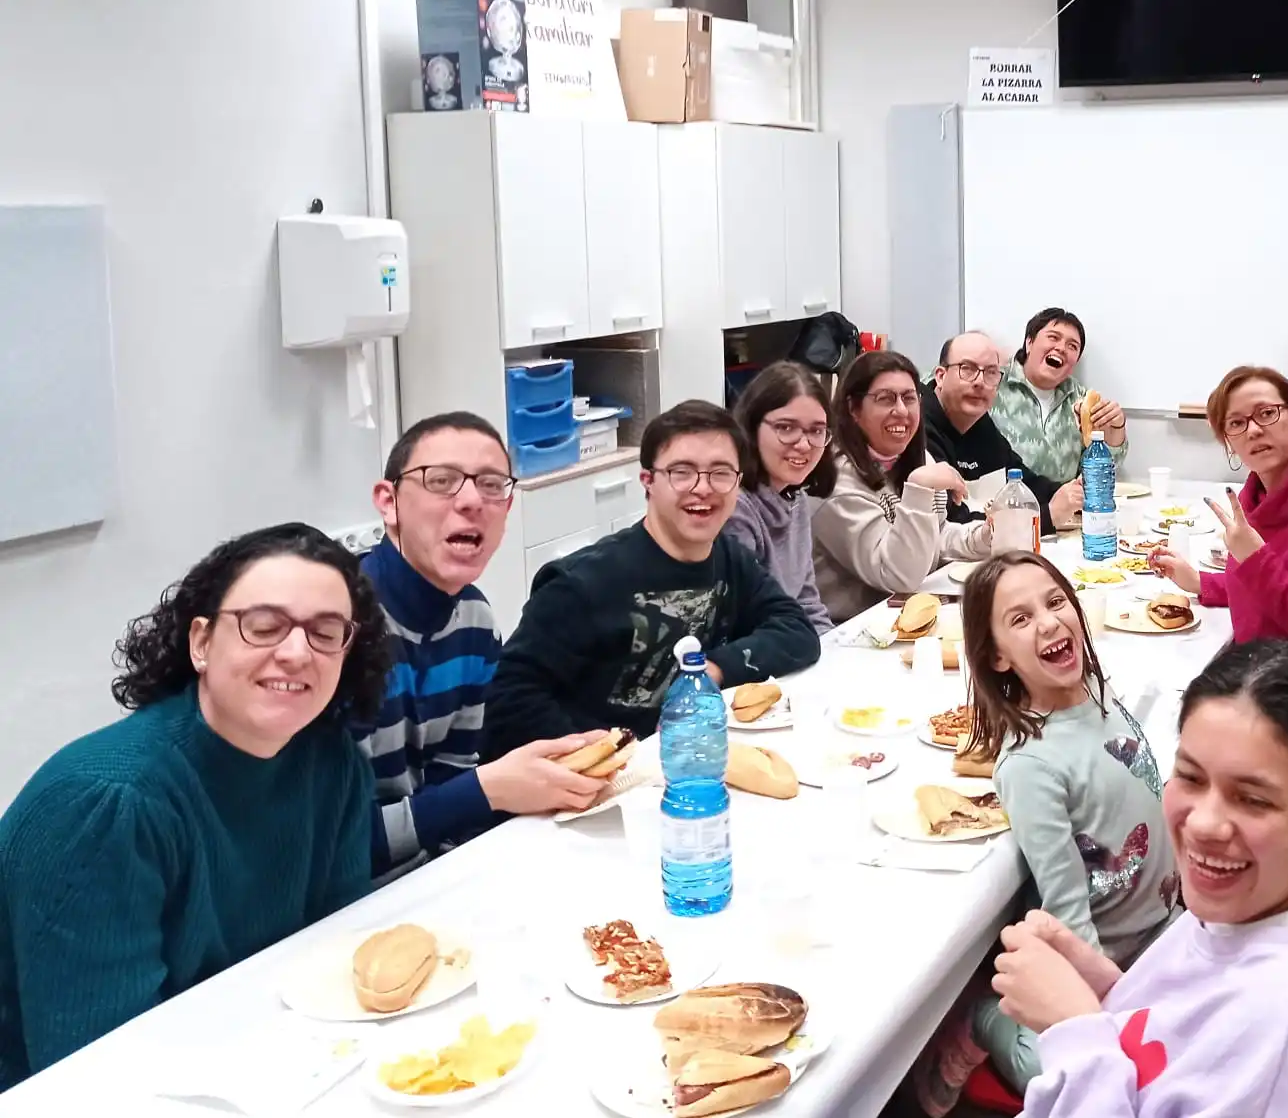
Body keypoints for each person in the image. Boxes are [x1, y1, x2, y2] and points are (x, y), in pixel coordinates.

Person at [988, 639, 1288, 1118]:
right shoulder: (1256, 901)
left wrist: (1075, 1029)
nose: (1204, 824)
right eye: (1190, 777)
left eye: (1253, 799)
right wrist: (1108, 991)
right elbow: (1188, 1053)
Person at [0, 525, 386, 1086]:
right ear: (201, 642)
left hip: (255, 1060)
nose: (296, 653)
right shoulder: (108, 806)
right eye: (264, 626)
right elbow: (96, 1077)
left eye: (325, 633)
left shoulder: (333, 764)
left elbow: (338, 968)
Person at [481, 401, 821, 758]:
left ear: (738, 483)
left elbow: (797, 631)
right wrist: (603, 753)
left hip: (689, 758)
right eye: (681, 472)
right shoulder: (582, 583)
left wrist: (715, 668)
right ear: (648, 482)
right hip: (605, 772)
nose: (703, 488)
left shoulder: (730, 558)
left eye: (720, 473)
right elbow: (508, 698)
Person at [958, 551, 1177, 1094]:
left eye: (1055, 602)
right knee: (1065, 1075)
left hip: (1168, 934)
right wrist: (1100, 1002)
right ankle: (980, 1020)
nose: (1048, 622)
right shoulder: (1030, 766)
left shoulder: (1098, 690)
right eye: (1021, 618)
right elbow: (1065, 909)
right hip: (1101, 958)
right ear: (997, 657)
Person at [354, 412, 608, 877]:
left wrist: (540, 780)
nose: (471, 500)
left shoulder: (474, 620)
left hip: (429, 876)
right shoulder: (335, 633)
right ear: (389, 503)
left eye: (492, 485)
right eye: (441, 480)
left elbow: (449, 791)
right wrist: (489, 790)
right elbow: (319, 850)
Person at [1148, 365, 1288, 643]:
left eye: (1266, 413)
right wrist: (1199, 581)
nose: (1253, 431)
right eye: (1236, 423)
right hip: (1255, 657)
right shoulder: (1254, 496)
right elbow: (1262, 585)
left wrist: (1255, 559)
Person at [812, 350, 995, 621]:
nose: (901, 410)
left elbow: (935, 537)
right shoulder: (835, 481)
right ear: (853, 408)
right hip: (849, 627)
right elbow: (898, 575)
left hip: (903, 613)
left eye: (909, 398)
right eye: (886, 399)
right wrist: (919, 487)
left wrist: (985, 535)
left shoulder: (915, 458)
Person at [925, 332, 1084, 532]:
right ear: (940, 376)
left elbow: (1021, 480)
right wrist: (1048, 516)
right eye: (967, 369)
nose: (980, 382)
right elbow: (953, 525)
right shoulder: (918, 427)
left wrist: (1073, 492)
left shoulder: (979, 422)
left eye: (991, 372)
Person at [723, 363, 837, 635]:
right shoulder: (734, 507)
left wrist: (833, 647)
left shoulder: (795, 497)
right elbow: (747, 621)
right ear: (752, 427)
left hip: (789, 643)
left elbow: (807, 602)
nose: (804, 444)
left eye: (816, 430)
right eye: (786, 427)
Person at [989, 308, 1129, 484]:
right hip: (1003, 498)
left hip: (1067, 500)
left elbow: (1102, 472)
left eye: (1072, 346)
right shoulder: (993, 383)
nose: (1061, 348)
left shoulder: (1081, 399)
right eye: (1053, 337)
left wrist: (1116, 429)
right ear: (1029, 342)